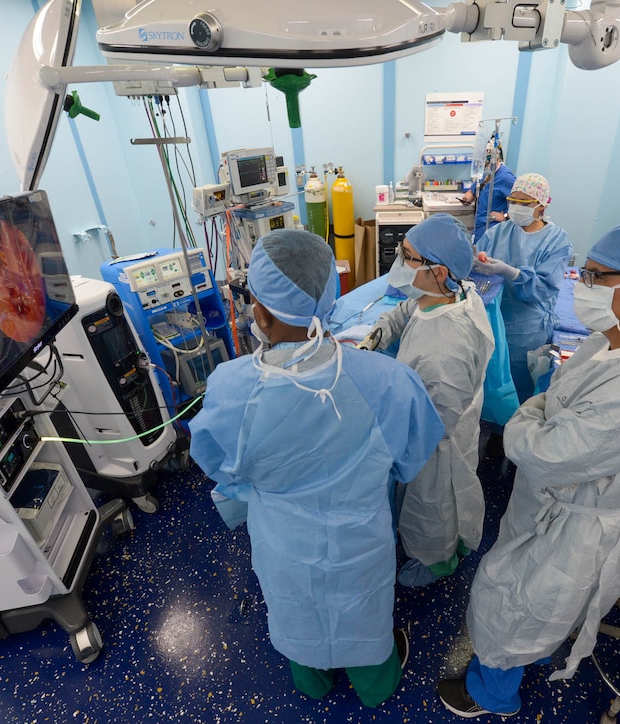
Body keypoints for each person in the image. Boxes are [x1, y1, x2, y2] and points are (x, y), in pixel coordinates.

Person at [438, 224, 620, 718]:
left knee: (515, 604)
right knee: (528, 605)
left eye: (595, 276)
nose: (581, 284)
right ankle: (511, 664)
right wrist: (537, 417)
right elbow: (555, 397)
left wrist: (524, 423)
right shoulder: (614, 341)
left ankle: (493, 694)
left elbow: (546, 446)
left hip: (574, 522)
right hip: (556, 499)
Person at [188, 229, 445, 708]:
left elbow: (223, 471)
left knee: (296, 611)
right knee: (363, 613)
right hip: (359, 544)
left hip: (284, 545)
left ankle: (312, 680)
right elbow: (411, 459)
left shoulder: (229, 388)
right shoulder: (386, 379)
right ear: (330, 296)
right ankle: (375, 686)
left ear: (259, 313)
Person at [361, 214, 495, 587]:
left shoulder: (444, 352)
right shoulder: (451, 293)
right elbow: (408, 310)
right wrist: (378, 333)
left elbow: (434, 422)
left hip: (435, 445)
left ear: (438, 271)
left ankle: (437, 557)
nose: (399, 263)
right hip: (443, 428)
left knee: (431, 504)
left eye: (407, 256)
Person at [472, 172, 573, 403]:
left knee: (518, 390)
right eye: (513, 201)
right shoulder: (498, 232)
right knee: (488, 381)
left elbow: (544, 288)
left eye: (524, 203)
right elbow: (476, 259)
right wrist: (476, 261)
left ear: (541, 206)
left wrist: (511, 273)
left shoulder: (557, 240)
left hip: (527, 329)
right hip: (491, 322)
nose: (516, 207)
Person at [460, 138, 517, 243]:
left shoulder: (506, 178)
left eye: (484, 164)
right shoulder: (486, 174)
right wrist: (466, 198)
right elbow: (474, 190)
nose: (482, 167)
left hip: (494, 229)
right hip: (480, 227)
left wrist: (505, 216)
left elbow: (520, 204)